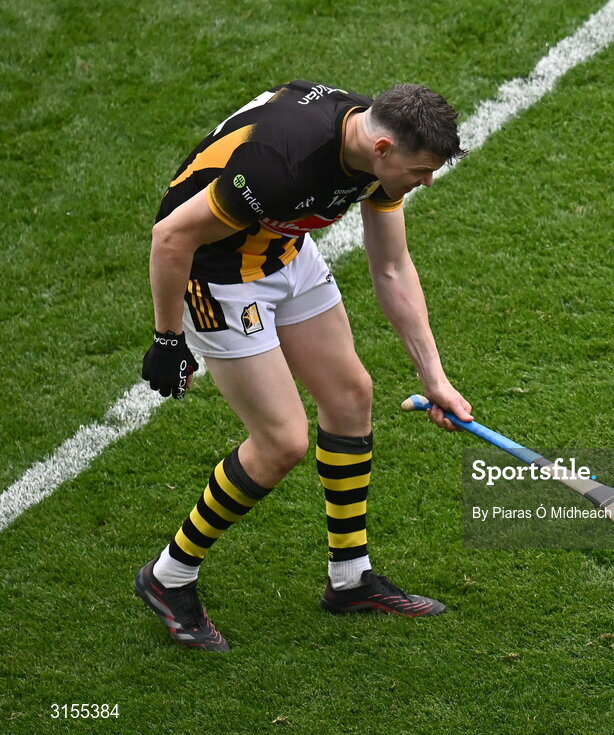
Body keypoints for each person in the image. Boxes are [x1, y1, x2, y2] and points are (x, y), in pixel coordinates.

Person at [135, 80, 473, 652]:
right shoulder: (283, 162)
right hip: (216, 273)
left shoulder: (373, 148)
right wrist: (168, 339)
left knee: (349, 396)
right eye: (421, 170)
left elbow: (391, 268)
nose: (427, 181)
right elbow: (171, 236)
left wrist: (434, 378)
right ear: (385, 147)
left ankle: (349, 578)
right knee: (280, 441)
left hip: (284, 249)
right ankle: (169, 576)